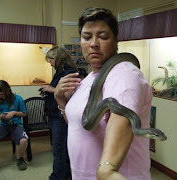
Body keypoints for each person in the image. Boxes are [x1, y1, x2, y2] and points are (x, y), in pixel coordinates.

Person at [54, 7, 153, 180]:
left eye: (103, 36)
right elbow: (79, 125)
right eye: (87, 37)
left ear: (116, 41)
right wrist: (62, 102)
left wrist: (108, 169)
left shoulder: (124, 74)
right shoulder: (88, 80)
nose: (93, 43)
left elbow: (121, 121)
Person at [40, 46, 77, 180]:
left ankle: (57, 177)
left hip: (61, 116)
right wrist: (48, 90)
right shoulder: (60, 72)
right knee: (62, 148)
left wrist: (51, 89)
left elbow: (69, 94)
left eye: (51, 60)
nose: (50, 63)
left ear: (58, 58)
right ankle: (65, 174)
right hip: (56, 115)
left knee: (59, 149)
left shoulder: (69, 72)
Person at [0, 80, 28, 171]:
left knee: (23, 140)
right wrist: (1, 116)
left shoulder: (18, 98)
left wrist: (13, 113)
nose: (1, 96)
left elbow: (24, 113)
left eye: (2, 94)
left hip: (16, 125)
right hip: (3, 125)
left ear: (8, 90)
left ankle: (20, 159)